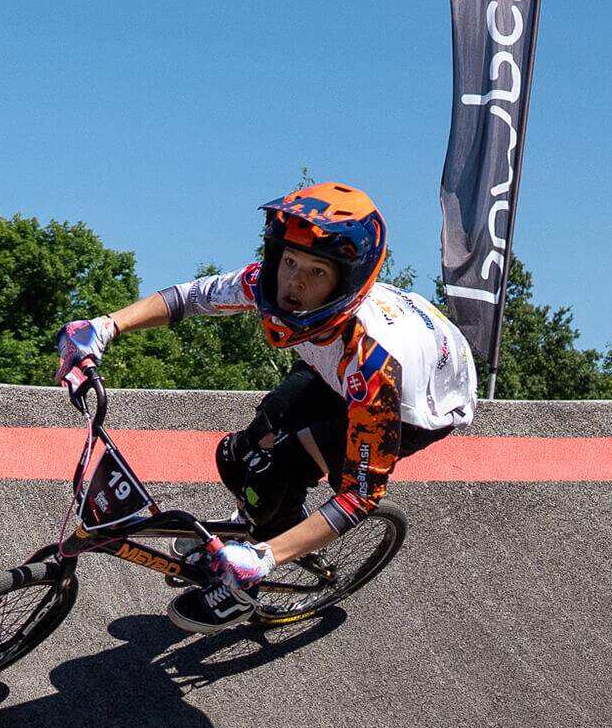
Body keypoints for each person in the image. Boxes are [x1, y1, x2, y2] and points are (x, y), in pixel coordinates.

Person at [57, 183, 477, 633]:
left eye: (317, 272)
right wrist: (105, 327)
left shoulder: (375, 364)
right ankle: (259, 523)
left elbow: (360, 497)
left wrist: (267, 555)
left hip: (415, 403)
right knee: (236, 455)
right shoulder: (267, 281)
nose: (294, 282)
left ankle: (247, 583)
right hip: (335, 369)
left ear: (346, 283)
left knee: (276, 471)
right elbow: (188, 299)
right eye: (290, 261)